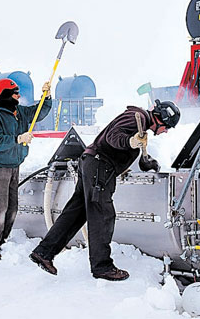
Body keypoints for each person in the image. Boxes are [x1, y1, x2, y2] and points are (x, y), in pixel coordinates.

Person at [29, 99, 180, 281]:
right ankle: (102, 267)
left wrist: (146, 162)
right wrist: (130, 141)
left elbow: (129, 146)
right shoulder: (135, 117)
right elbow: (114, 137)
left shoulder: (141, 124)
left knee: (76, 214)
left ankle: (44, 253)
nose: (166, 132)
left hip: (92, 163)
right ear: (160, 119)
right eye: (167, 127)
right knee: (102, 215)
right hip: (100, 166)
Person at [0, 78, 52, 260]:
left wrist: (47, 96)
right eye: (15, 92)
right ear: (6, 95)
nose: (19, 95)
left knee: (12, 208)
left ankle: (2, 241)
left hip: (15, 165)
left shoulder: (19, 112)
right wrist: (18, 139)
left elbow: (39, 112)